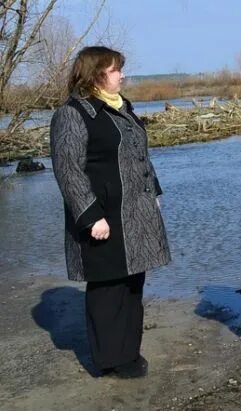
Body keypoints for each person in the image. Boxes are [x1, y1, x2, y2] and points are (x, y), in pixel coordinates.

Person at [49, 46, 170, 378]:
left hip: (135, 213)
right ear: (95, 73)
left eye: (121, 69)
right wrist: (90, 216)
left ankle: (128, 353)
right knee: (107, 289)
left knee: (133, 284)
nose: (122, 75)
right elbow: (67, 170)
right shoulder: (73, 114)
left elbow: (139, 156)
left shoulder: (122, 107)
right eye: (115, 69)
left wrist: (154, 192)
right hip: (103, 218)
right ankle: (109, 359)